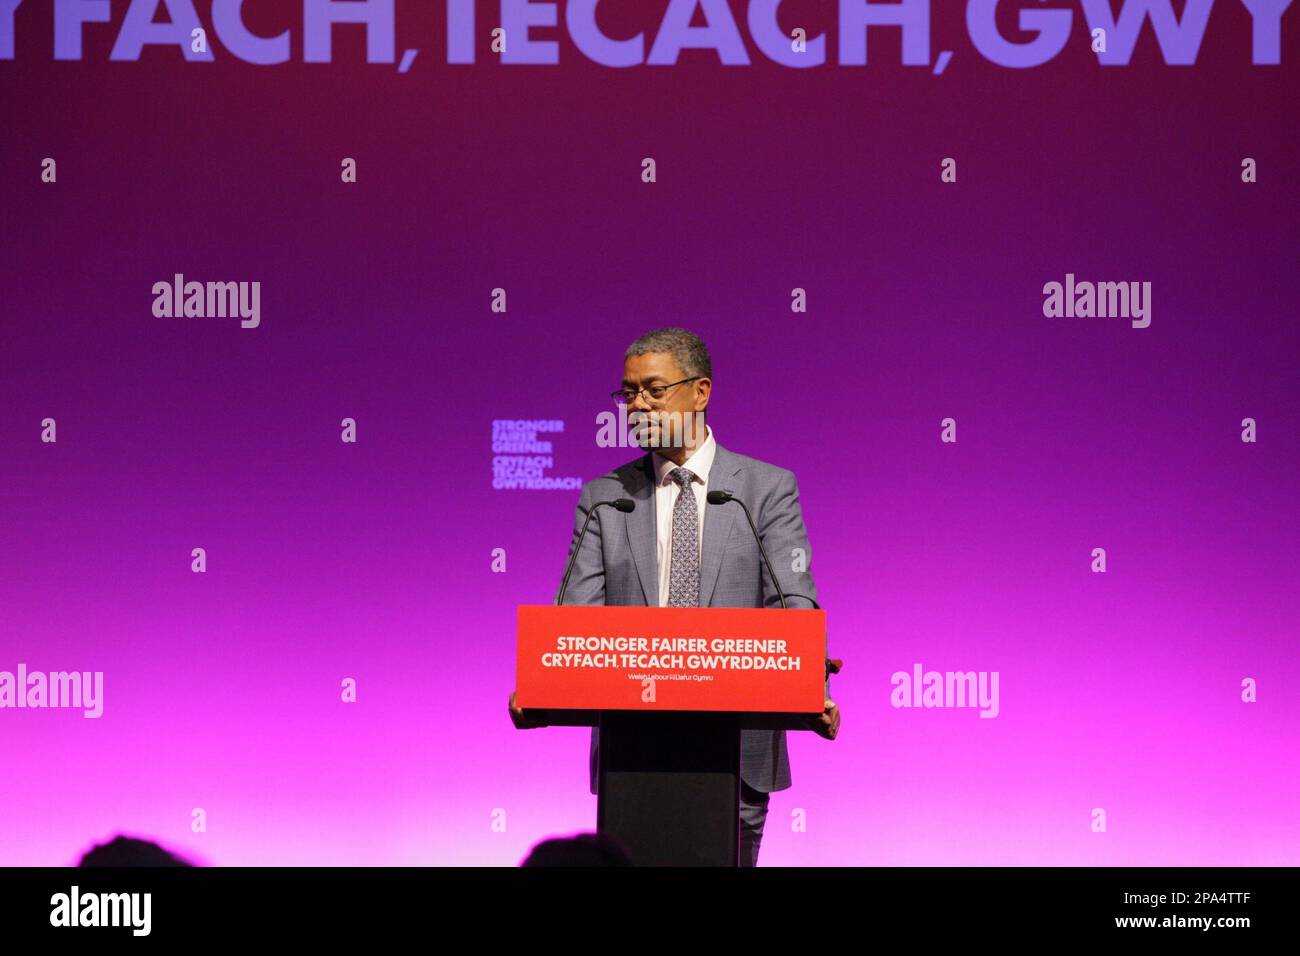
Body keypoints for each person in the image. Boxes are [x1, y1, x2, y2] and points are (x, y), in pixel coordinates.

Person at [512, 327, 839, 866]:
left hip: (736, 749)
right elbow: (574, 622)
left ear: (701, 391)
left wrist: (807, 684)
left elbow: (793, 607)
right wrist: (541, 685)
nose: (636, 405)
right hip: (633, 750)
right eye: (627, 393)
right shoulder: (606, 497)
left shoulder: (764, 489)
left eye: (653, 390)